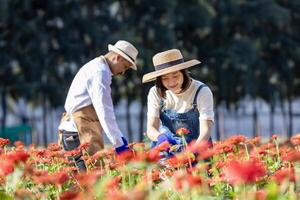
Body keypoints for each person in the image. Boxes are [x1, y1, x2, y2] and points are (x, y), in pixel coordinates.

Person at [58, 40, 138, 171]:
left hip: (74, 132)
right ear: (118, 57)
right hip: (77, 133)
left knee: (84, 181)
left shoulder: (98, 68)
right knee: (87, 181)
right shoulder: (99, 73)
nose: (123, 72)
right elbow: (105, 111)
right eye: (125, 66)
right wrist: (118, 143)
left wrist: (119, 138)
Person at [142, 49, 214, 155]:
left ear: (184, 72)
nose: (171, 82)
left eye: (175, 76)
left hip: (198, 148)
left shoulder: (201, 91)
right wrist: (160, 137)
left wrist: (191, 152)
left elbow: (205, 130)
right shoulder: (155, 92)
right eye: (165, 78)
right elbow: (151, 128)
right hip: (167, 149)